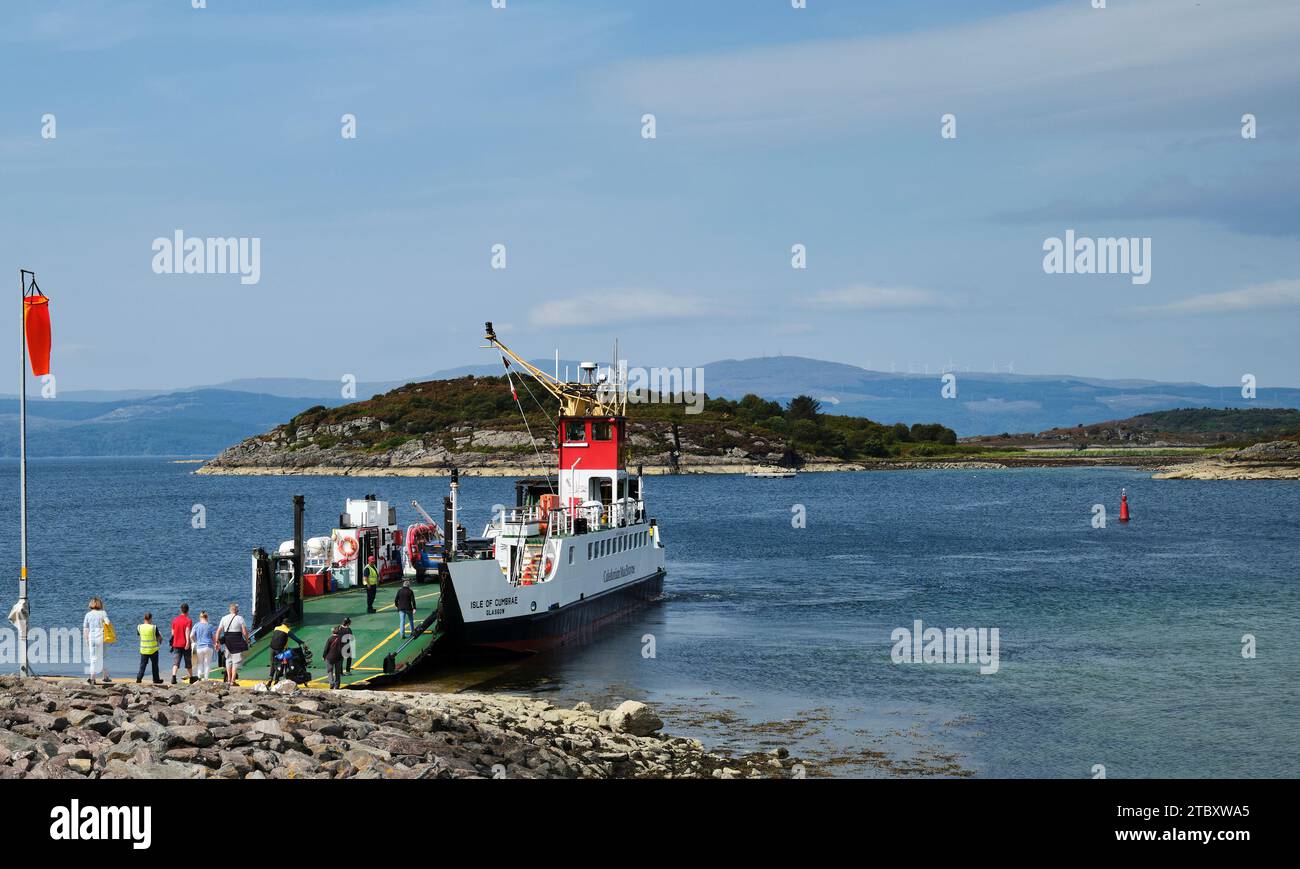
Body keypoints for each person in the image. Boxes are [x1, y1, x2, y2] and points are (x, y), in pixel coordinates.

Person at [216, 603, 250, 684]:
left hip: (228, 642)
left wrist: (217, 642)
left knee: (228, 660)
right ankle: (233, 680)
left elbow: (218, 631)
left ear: (230, 610)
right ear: (236, 610)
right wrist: (247, 640)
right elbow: (244, 632)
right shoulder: (240, 618)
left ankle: (228, 679)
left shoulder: (224, 618)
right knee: (236, 662)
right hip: (237, 641)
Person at [82, 597, 112, 685]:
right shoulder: (103, 613)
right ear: (100, 604)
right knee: (102, 658)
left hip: (92, 638)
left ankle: (92, 678)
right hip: (101, 637)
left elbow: (85, 629)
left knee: (93, 659)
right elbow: (108, 623)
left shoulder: (88, 614)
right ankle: (106, 677)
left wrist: (86, 639)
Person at [267, 618, 306, 684]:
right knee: (280, 664)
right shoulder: (287, 630)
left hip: (272, 648)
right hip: (279, 650)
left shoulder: (276, 628)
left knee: (273, 663)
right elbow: (295, 638)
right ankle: (276, 679)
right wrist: (302, 642)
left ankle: (270, 678)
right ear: (288, 624)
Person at [136, 612, 165, 684]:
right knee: (155, 665)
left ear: (144, 618)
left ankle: (139, 678)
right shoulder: (154, 627)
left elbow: (139, 635)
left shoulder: (139, 627)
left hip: (143, 649)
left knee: (142, 665)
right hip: (153, 649)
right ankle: (156, 680)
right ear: (151, 619)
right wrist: (160, 639)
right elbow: (159, 638)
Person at [170, 603, 194, 684]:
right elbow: (187, 631)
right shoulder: (188, 620)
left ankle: (173, 677)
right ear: (188, 610)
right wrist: (188, 642)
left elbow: (172, 633)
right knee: (188, 662)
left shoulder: (175, 620)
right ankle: (191, 677)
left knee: (176, 661)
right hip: (185, 644)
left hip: (176, 644)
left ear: (181, 610)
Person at [190, 611, 217, 682]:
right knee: (207, 664)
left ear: (200, 617)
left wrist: (194, 642)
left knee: (199, 664)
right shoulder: (210, 626)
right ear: (207, 617)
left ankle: (199, 678)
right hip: (208, 646)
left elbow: (191, 636)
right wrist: (216, 644)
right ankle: (206, 679)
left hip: (199, 647)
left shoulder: (196, 625)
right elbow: (214, 637)